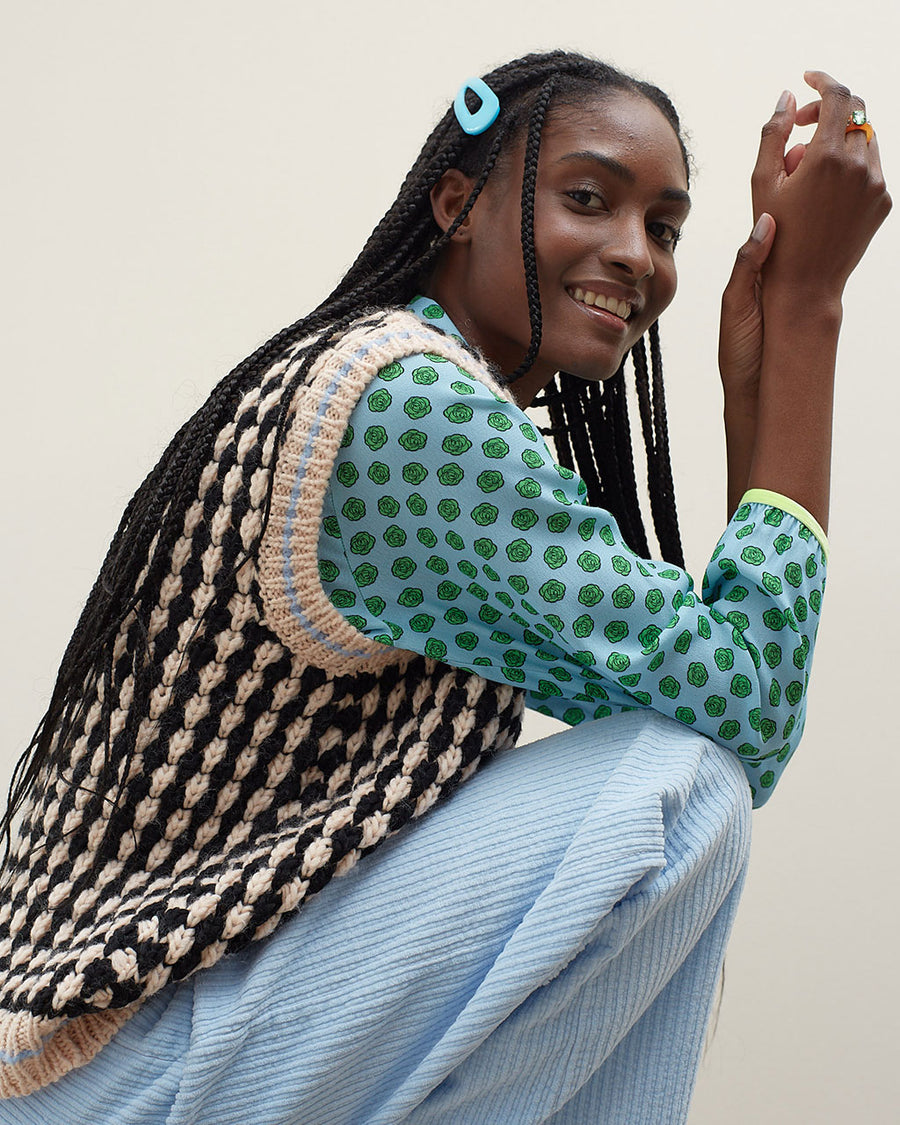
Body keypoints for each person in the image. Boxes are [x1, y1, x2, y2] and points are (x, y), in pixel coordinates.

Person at [0, 49, 888, 1124]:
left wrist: (754, 366)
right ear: (459, 203)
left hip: (161, 1032)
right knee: (683, 787)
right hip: (107, 1058)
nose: (634, 255)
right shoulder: (407, 405)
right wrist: (806, 315)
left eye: (663, 228)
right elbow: (745, 708)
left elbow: (729, 682)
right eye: (589, 198)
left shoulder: (397, 384)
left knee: (687, 775)